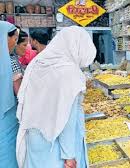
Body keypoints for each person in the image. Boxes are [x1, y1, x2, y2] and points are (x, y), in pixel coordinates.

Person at [16, 26, 96, 168]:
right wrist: (69, 155)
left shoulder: (38, 63)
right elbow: (67, 119)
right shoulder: (70, 73)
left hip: (35, 137)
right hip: (56, 147)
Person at [0, 21, 19, 168]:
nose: (15, 43)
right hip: (6, 121)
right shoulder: (11, 62)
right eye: (15, 38)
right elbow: (20, 93)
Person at [11, 30, 28, 95]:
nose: (26, 48)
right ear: (15, 44)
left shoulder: (12, 59)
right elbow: (19, 94)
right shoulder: (13, 62)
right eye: (24, 45)